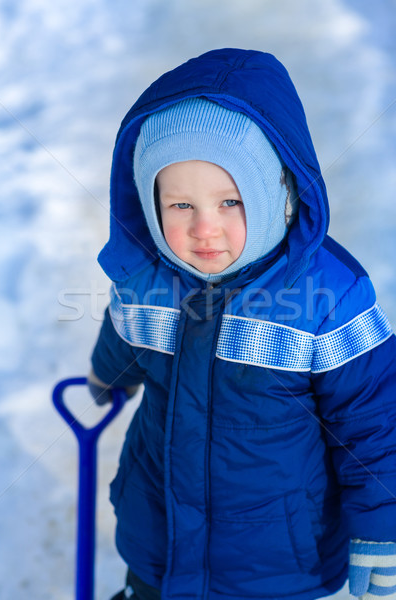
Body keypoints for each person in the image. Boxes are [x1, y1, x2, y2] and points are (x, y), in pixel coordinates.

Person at [88, 48, 396, 600]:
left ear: (279, 194)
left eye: (230, 201)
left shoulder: (327, 299)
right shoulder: (145, 280)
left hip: (275, 563)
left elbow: (377, 421)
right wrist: (107, 375)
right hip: (157, 534)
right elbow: (124, 336)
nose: (205, 229)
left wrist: (383, 526)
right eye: (180, 206)